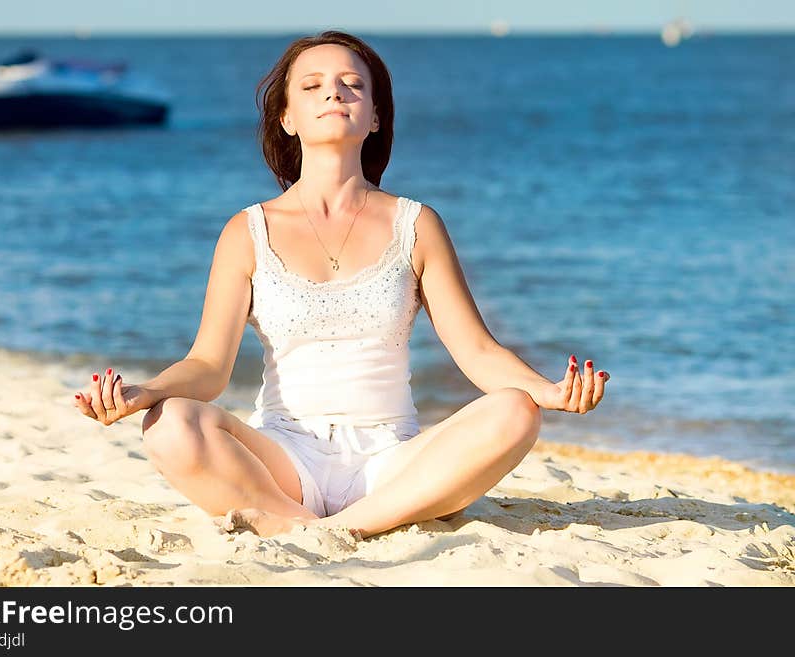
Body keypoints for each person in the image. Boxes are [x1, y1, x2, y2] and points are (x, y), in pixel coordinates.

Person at [72, 30, 610, 540]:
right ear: (287, 118)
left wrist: (548, 392)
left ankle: (328, 530)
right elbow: (209, 367)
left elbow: (475, 350)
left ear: (375, 116)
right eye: (312, 85)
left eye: (352, 83)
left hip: (390, 463)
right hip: (283, 459)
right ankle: (321, 524)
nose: (334, 91)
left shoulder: (416, 225)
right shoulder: (247, 231)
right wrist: (148, 393)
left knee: (515, 411)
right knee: (168, 424)